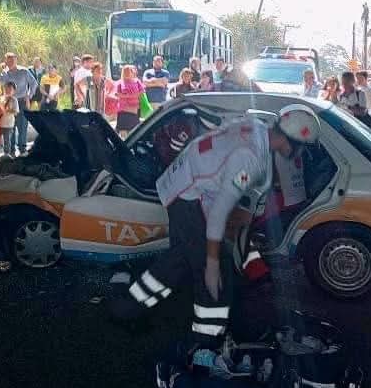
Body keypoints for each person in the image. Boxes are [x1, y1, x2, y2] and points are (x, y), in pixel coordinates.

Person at [109, 105, 322, 345]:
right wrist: (211, 262)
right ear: (292, 142)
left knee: (177, 261)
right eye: (302, 149)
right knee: (214, 275)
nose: (301, 155)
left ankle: (126, 309)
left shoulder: (257, 127)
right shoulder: (249, 159)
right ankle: (206, 341)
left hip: (181, 182)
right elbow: (220, 211)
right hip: (189, 196)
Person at [0, 52, 40, 156]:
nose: (11, 62)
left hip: (22, 101)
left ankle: (22, 149)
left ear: (16, 60)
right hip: (9, 102)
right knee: (10, 126)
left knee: (22, 126)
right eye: (9, 60)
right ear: (6, 61)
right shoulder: (4, 73)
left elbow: (34, 84)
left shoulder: (24, 71)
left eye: (13, 59)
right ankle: (11, 150)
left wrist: (29, 97)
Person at [113, 65, 146, 138]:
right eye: (125, 71)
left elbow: (142, 91)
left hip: (134, 111)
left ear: (133, 72)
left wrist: (126, 96)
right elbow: (116, 94)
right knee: (123, 134)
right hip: (123, 111)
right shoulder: (119, 82)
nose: (127, 73)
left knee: (134, 132)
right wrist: (132, 95)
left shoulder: (137, 81)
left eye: (129, 71)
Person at [0, 82, 19, 159]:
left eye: (10, 89)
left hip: (8, 125)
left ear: (14, 91)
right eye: (6, 88)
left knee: (7, 142)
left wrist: (7, 110)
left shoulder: (14, 100)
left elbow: (16, 112)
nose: (7, 90)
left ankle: (6, 157)